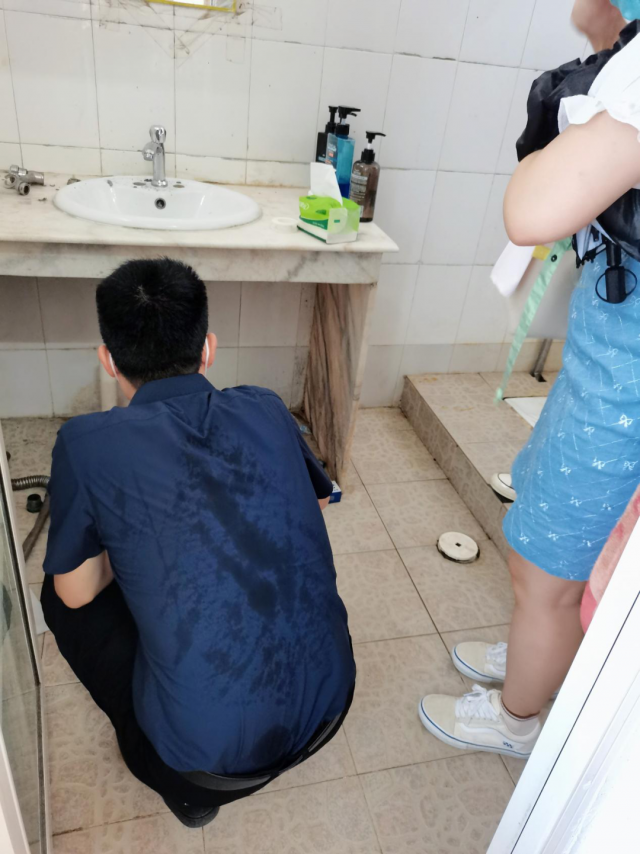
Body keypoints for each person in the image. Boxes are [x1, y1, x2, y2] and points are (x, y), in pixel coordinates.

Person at [40, 258, 355, 827]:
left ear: (107, 359)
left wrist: (133, 540)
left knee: (56, 591)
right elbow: (314, 503)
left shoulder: (85, 443)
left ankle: (190, 797)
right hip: (331, 708)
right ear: (208, 349)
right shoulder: (265, 405)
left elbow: (76, 594)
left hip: (200, 765)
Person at [419, 0, 640, 758]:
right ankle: (532, 659)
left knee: (547, 571)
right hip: (605, 371)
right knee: (545, 537)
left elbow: (532, 210)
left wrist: (565, 120)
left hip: (623, 394)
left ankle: (516, 719)